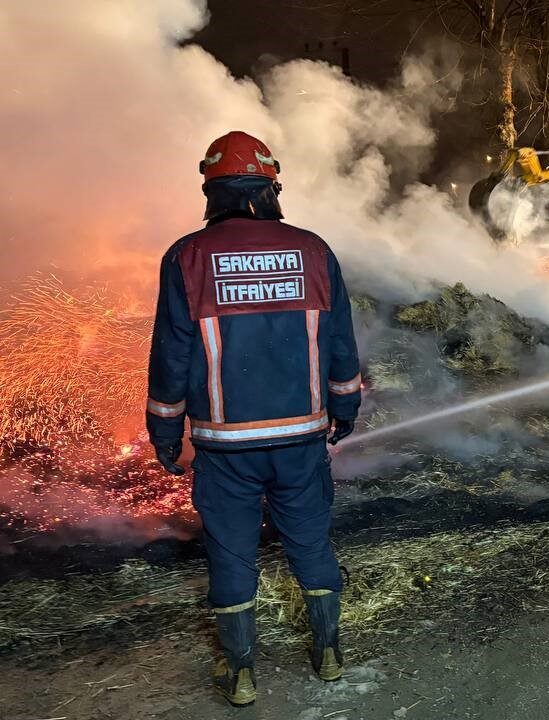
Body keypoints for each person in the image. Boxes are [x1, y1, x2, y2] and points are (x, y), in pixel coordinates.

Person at [146, 131, 362, 706]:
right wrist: (345, 409)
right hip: (300, 440)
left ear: (212, 191)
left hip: (224, 448)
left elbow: (172, 353)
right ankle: (330, 654)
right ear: (270, 188)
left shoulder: (187, 257)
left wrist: (166, 432)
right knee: (312, 544)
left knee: (232, 552)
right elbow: (340, 343)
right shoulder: (313, 251)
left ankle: (241, 674)